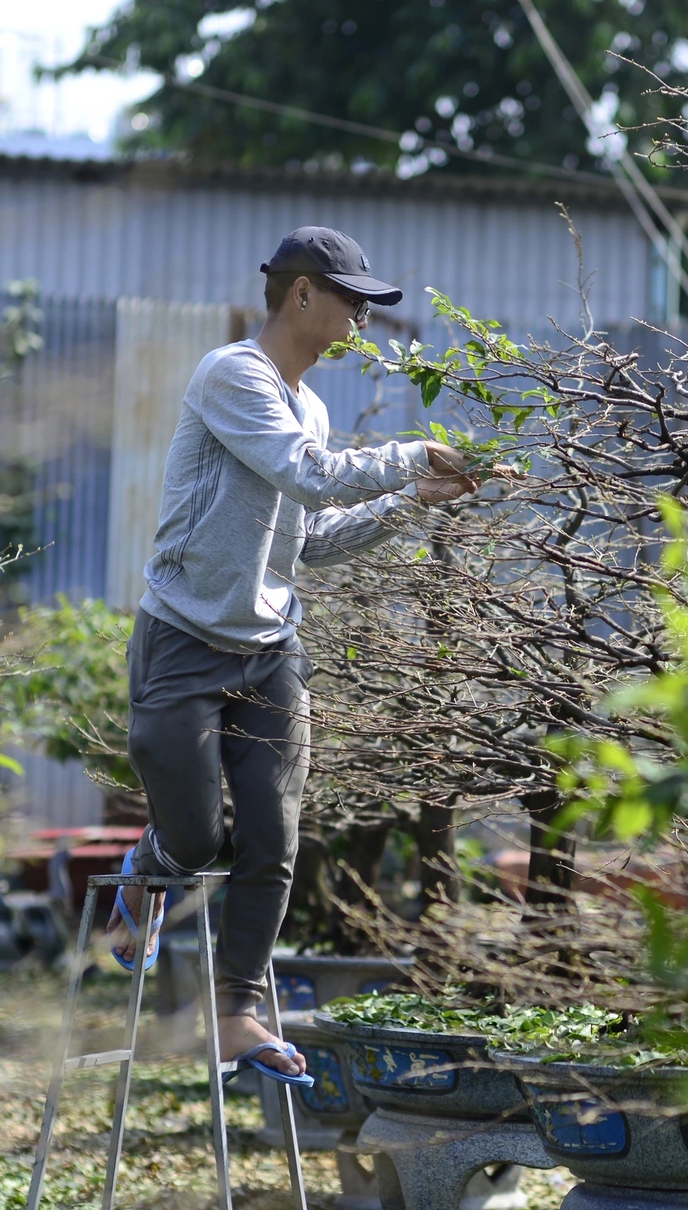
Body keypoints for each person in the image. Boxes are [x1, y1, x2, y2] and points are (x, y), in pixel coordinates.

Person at [111, 226, 477, 1083]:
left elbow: (310, 540)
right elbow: (309, 475)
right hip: (185, 639)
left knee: (274, 837)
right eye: (353, 299)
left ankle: (236, 1011)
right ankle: (145, 872)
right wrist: (412, 452)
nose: (362, 316)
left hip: (270, 648)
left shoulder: (309, 406)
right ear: (303, 292)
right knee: (197, 836)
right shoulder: (233, 375)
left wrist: (410, 501)